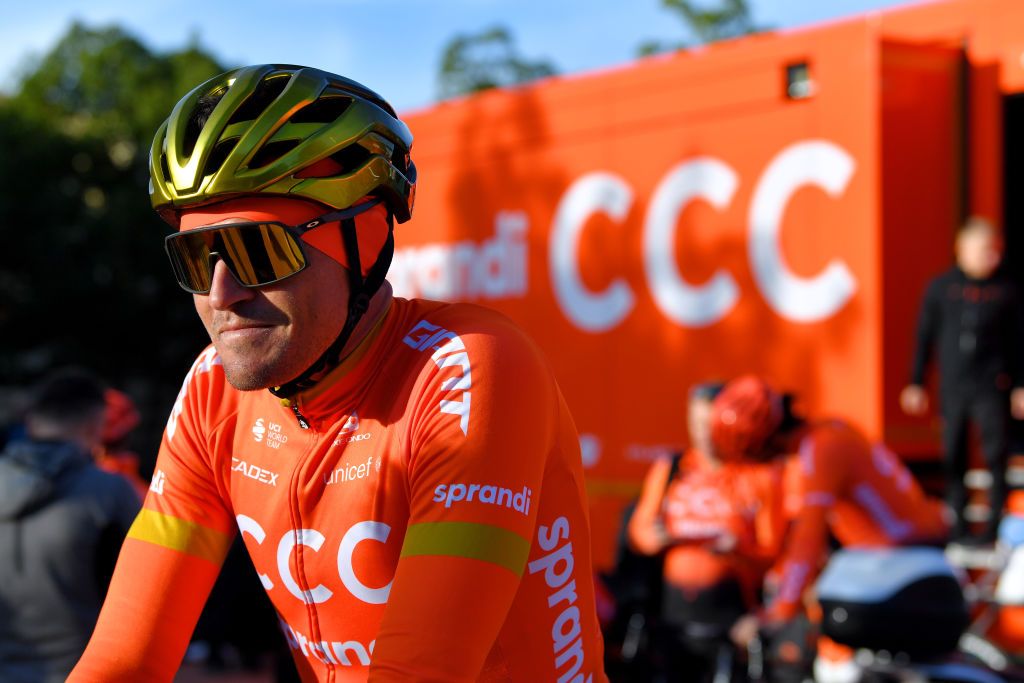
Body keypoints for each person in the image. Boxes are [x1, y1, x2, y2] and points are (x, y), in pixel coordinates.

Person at [70, 64, 606, 682]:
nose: (221, 294)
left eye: (257, 251)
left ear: (363, 240)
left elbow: (420, 673)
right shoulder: (213, 390)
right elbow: (123, 661)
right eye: (195, 256)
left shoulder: (468, 367)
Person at [713, 376, 948, 676]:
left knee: (837, 665)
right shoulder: (829, 433)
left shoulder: (821, 449)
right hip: (904, 560)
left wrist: (778, 612)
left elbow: (808, 539)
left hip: (900, 563)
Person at [629, 382, 785, 681]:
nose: (702, 433)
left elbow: (774, 554)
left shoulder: (758, 476)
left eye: (709, 423)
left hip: (732, 624)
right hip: (671, 622)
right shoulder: (672, 468)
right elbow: (639, 531)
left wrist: (738, 550)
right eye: (695, 422)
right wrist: (654, 538)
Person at [0, 368, 141, 683]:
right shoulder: (110, 492)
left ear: (31, 420)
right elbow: (142, 593)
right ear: (97, 425)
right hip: (83, 669)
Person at [901, 216, 1024, 542]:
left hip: (991, 385)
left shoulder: (1006, 291)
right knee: (953, 451)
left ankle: (994, 524)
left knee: (995, 452)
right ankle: (957, 522)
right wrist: (916, 382)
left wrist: (1020, 386)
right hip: (953, 386)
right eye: (984, 250)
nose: (991, 258)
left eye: (995, 251)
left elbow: (1018, 342)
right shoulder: (941, 288)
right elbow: (924, 336)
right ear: (963, 249)